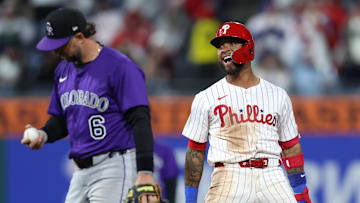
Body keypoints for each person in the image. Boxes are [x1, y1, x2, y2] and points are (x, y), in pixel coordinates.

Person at [21, 8, 158, 203]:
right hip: (80, 171)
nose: (56, 51)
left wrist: (145, 171)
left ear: (80, 36)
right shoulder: (62, 69)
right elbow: (62, 120)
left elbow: (140, 119)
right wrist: (44, 134)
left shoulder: (120, 67)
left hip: (114, 166)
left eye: (61, 44)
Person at [183, 22, 312, 203]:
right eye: (220, 46)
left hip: (272, 174)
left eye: (232, 43)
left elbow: (290, 147)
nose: (224, 49)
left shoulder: (278, 95)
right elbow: (194, 152)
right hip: (228, 175)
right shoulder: (206, 98)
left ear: (249, 48)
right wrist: (190, 200)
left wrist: (301, 193)